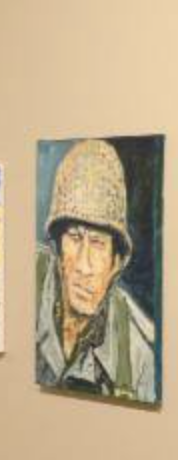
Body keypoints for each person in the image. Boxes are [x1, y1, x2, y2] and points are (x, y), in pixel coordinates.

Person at [35, 138, 157, 401]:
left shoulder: (140, 355)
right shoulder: (26, 284)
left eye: (98, 243)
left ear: (116, 262)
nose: (84, 265)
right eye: (75, 238)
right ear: (57, 249)